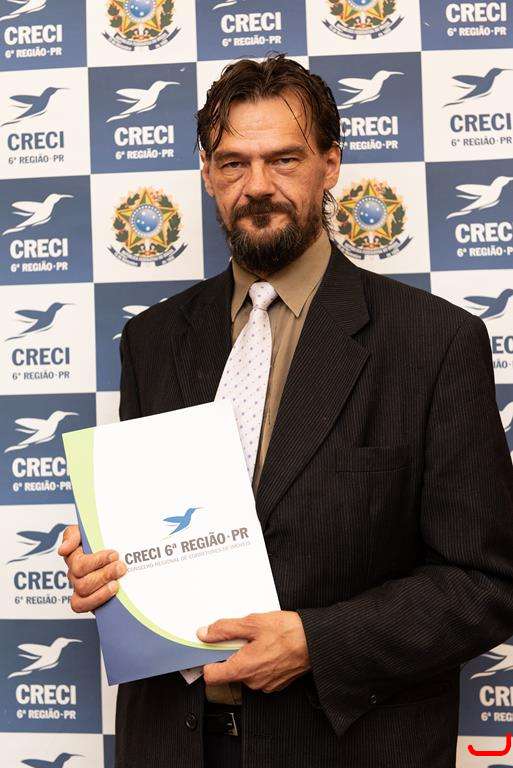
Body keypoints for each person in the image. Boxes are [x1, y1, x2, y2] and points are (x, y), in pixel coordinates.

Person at [59, 56, 513, 768]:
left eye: (284, 159)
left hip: (346, 748)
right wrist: (105, 564)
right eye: (233, 163)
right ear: (207, 174)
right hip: (172, 742)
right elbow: (158, 529)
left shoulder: (434, 342)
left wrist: (316, 642)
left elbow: (485, 584)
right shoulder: (152, 340)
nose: (258, 186)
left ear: (330, 165)